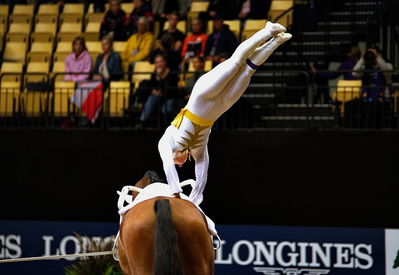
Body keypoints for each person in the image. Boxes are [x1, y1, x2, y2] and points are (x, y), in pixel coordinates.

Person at [158, 21, 291, 205]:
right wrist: (195, 199)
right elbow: (202, 172)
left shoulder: (168, 139)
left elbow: (167, 165)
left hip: (201, 97)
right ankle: (275, 42)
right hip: (220, 107)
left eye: (177, 164)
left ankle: (267, 30)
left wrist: (176, 192)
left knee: (235, 63)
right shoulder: (197, 150)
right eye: (180, 165)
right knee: (247, 71)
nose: (179, 164)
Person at [136, 54, 180, 128]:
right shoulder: (155, 74)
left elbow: (169, 89)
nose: (159, 64)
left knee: (165, 108)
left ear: (165, 62)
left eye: (161, 62)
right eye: (157, 62)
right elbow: (152, 86)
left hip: (169, 97)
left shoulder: (171, 73)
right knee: (152, 98)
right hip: (159, 97)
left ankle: (171, 126)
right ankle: (142, 121)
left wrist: (160, 78)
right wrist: (154, 90)